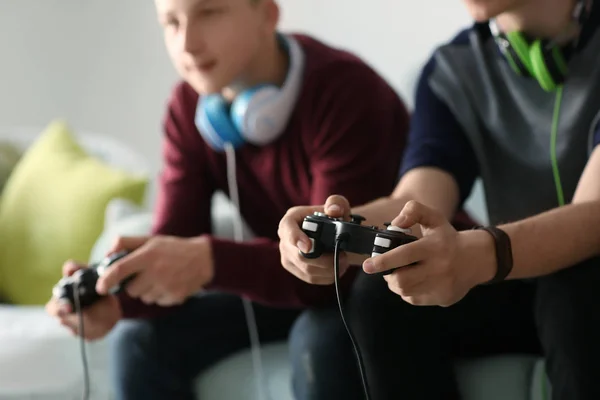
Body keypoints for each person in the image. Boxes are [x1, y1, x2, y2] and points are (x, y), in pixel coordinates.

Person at [44, 0, 417, 399]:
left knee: (321, 339)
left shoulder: (344, 90)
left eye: (210, 13)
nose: (186, 43)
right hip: (287, 281)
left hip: (371, 289)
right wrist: (118, 296)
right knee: (137, 342)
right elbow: (175, 242)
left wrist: (208, 261)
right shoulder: (189, 109)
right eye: (171, 22)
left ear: (267, 14)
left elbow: (333, 268)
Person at [278, 0, 600, 399]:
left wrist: (479, 254)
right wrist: (341, 230)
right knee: (381, 296)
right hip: (515, 280)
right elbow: (417, 198)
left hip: (580, 286)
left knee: (575, 289)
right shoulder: (452, 66)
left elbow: (594, 216)